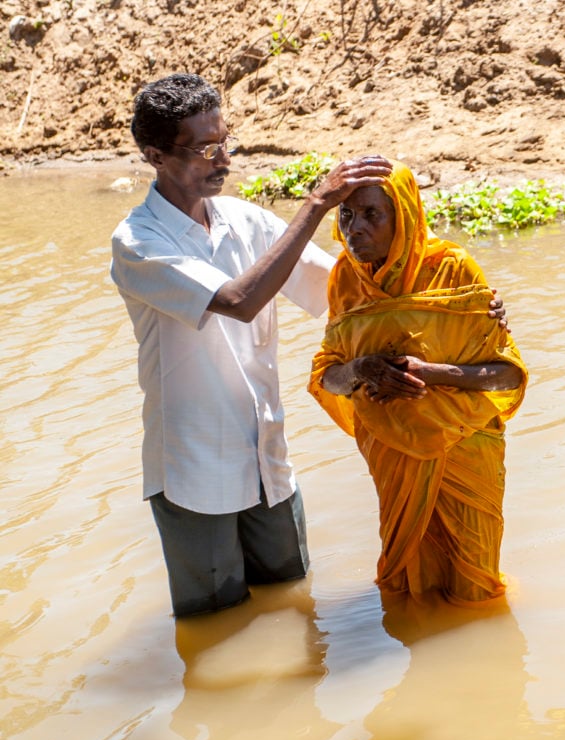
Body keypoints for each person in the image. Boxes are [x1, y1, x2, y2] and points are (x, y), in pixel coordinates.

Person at [109, 72, 400, 617]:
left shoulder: (246, 222)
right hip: (196, 472)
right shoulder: (139, 242)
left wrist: (455, 297)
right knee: (214, 626)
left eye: (225, 142)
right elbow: (240, 299)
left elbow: (345, 289)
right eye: (204, 148)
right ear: (155, 155)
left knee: (294, 604)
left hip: (268, 459)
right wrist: (315, 204)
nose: (223, 159)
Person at [309, 164, 528, 606]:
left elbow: (506, 374)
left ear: (404, 216)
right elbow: (327, 377)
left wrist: (427, 373)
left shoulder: (453, 269)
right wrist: (362, 369)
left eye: (373, 215)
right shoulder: (345, 279)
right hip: (393, 450)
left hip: (466, 445)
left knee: (477, 585)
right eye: (347, 215)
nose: (356, 229)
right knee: (409, 584)